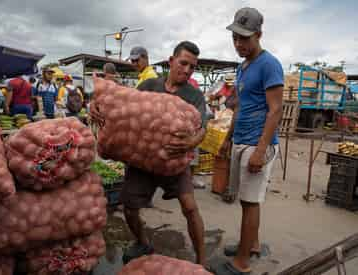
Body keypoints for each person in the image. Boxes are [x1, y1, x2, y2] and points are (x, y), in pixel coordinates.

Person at [93, 41, 208, 266]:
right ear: (171, 61)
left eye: (192, 67)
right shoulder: (149, 85)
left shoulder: (195, 96)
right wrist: (96, 106)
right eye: (183, 63)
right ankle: (143, 242)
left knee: (190, 208)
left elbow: (203, 127)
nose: (186, 70)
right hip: (142, 163)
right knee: (129, 207)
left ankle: (202, 261)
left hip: (174, 162)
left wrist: (192, 141)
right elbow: (122, 108)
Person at [211, 7, 284, 275]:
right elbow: (240, 107)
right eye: (235, 38)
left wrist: (260, 151)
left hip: (258, 142)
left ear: (259, 35)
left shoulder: (269, 64)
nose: (239, 44)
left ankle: (242, 263)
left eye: (245, 39)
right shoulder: (242, 68)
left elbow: (276, 110)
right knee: (246, 199)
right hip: (241, 139)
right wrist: (228, 138)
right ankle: (251, 244)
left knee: (251, 202)